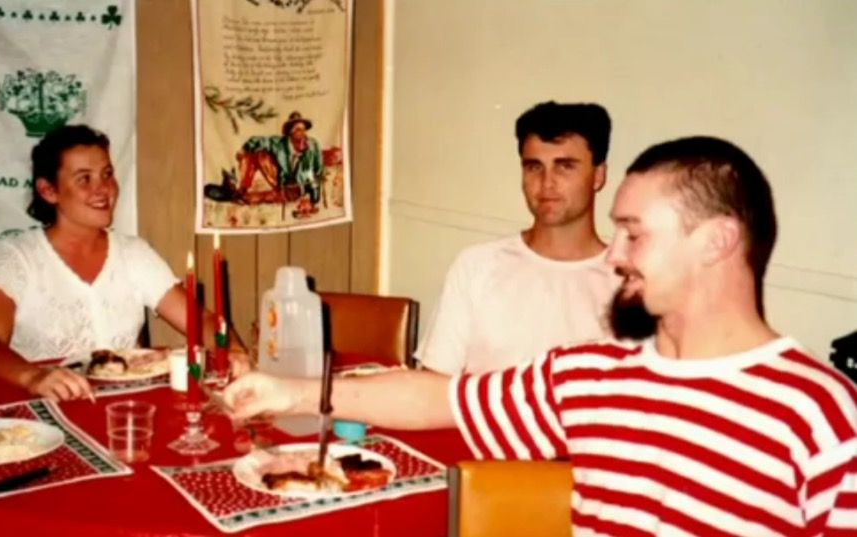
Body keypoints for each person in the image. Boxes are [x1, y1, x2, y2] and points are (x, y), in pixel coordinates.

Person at [223, 136, 857, 535]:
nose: (615, 256)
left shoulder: (823, 415)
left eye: (635, 233)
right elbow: (435, 397)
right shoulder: (590, 375)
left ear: (717, 241)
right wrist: (289, 392)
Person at [0, 125, 248, 402]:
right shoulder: (14, 257)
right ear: (48, 190)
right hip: (44, 408)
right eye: (84, 179)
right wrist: (34, 377)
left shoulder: (133, 254)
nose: (104, 189)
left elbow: (201, 321)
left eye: (107, 174)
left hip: (124, 407)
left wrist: (233, 351)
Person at [417, 101, 621, 374]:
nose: (547, 183)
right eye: (534, 167)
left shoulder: (627, 284)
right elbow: (432, 383)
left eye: (565, 167)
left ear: (598, 176)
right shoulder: (477, 266)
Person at [236, 111, 325, 206]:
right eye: (298, 129)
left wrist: (313, 188)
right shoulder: (281, 143)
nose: (302, 133)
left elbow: (319, 169)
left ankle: (248, 198)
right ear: (291, 132)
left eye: (303, 129)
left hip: (298, 188)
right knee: (256, 153)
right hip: (282, 181)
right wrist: (244, 149)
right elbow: (260, 140)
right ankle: (242, 189)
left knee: (259, 197)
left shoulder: (313, 145)